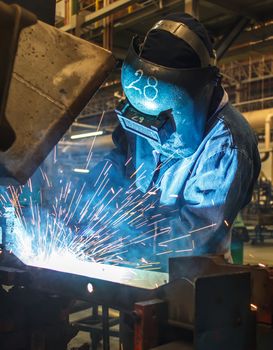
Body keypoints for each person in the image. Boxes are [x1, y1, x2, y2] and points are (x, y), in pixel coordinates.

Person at [85, 12, 261, 271]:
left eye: (165, 116)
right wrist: (87, 201)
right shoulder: (143, 108)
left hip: (190, 281)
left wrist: (126, 242)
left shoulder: (227, 144)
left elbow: (195, 236)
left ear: (199, 90)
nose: (152, 125)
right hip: (130, 269)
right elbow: (119, 162)